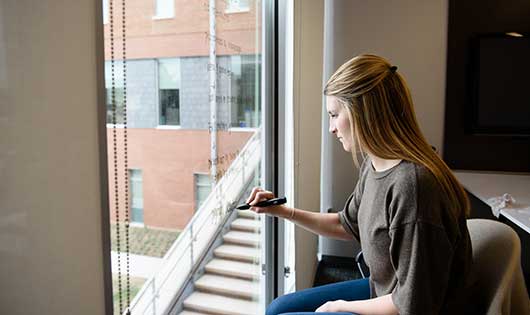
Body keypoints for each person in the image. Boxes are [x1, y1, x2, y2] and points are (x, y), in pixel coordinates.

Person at [245, 54, 474, 315]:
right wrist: (283, 211)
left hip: (410, 305)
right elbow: (347, 224)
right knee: (278, 308)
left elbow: (415, 303)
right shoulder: (375, 163)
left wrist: (341, 306)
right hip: (388, 291)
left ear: (363, 113)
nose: (331, 128)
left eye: (334, 115)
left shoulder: (414, 187)